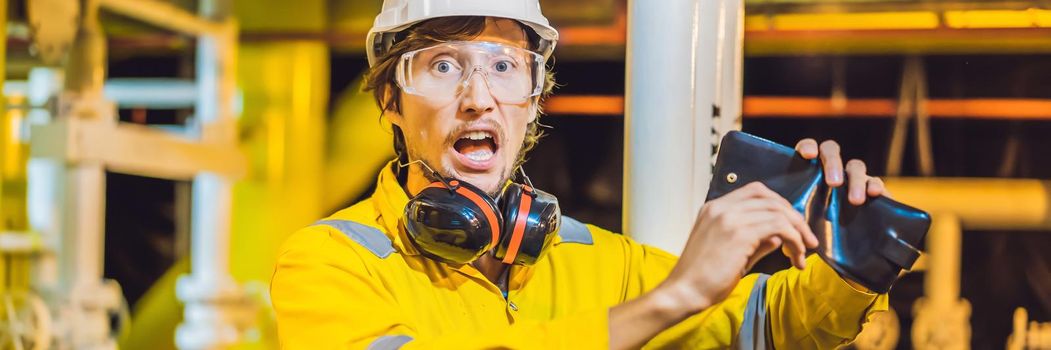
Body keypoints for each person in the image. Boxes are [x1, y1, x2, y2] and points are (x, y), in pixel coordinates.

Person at [270, 1, 891, 348]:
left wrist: (850, 269)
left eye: (505, 67)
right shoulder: (328, 264)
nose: (478, 97)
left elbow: (769, 326)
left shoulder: (600, 261)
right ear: (390, 102)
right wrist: (673, 299)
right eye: (441, 67)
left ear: (534, 98)